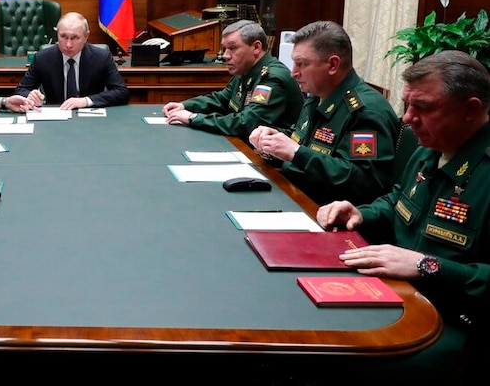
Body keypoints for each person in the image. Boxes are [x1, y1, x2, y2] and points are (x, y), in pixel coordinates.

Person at [314, 50, 490, 380]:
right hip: (396, 291)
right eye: (407, 105)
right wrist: (361, 214)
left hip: (457, 318)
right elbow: (399, 200)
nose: (407, 118)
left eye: (422, 107)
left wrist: (427, 265)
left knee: (335, 355)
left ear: (470, 109)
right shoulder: (429, 149)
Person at [249, 20, 399, 206]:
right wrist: (273, 138)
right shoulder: (317, 97)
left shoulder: (365, 111)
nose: (293, 73)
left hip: (327, 213)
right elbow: (304, 142)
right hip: (294, 194)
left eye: (302, 64)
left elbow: (364, 181)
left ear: (333, 65)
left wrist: (296, 153)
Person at [161, 19, 303, 140]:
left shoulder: (272, 78)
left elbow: (246, 123)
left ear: (256, 47)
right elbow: (222, 99)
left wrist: (193, 117)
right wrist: (185, 106)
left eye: (233, 48)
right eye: (225, 49)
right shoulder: (246, 70)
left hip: (271, 161)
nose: (225, 56)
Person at [14, 11, 130, 109]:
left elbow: (121, 92)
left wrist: (86, 101)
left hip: (90, 119)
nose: (68, 44)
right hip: (55, 118)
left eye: (75, 38)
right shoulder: (43, 58)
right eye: (63, 37)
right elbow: (21, 90)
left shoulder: (102, 57)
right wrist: (30, 95)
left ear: (86, 37)